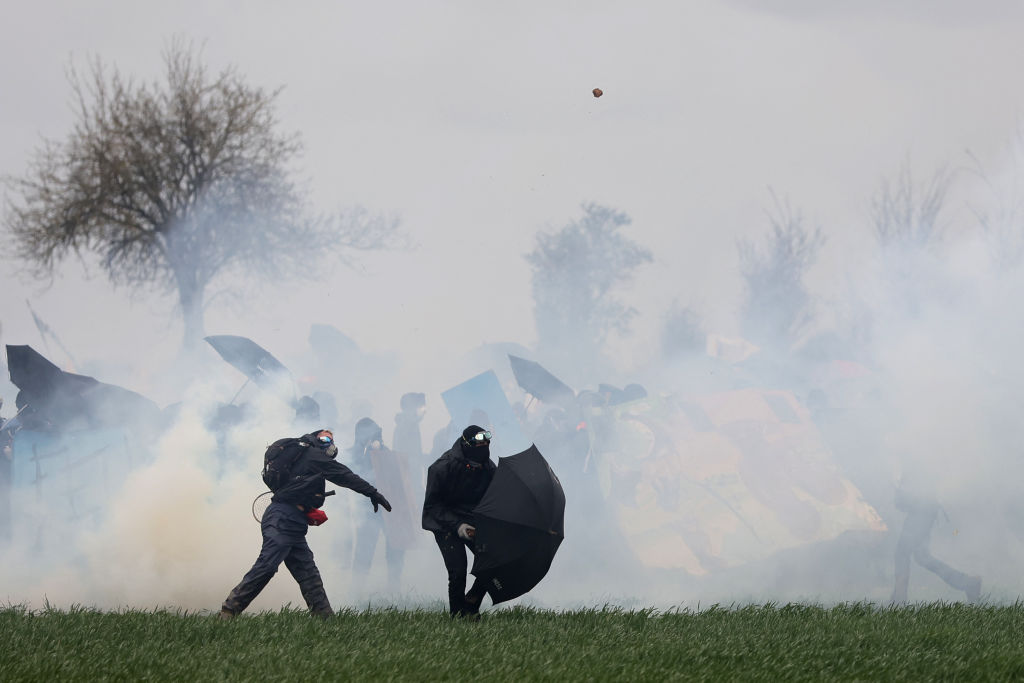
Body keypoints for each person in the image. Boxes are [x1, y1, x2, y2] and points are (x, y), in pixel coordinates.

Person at [220, 428, 392, 618]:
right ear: (316, 437)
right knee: (267, 565)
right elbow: (344, 475)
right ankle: (229, 610)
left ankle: (325, 617)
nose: (329, 442)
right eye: (326, 437)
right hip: (283, 518)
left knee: (308, 572)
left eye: (332, 439)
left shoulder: (303, 457)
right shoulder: (312, 455)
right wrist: (372, 492)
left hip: (292, 520)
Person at [422, 425, 497, 617]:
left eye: (487, 444)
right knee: (458, 571)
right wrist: (458, 526)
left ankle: (471, 605)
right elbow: (432, 507)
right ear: (467, 445)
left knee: (493, 561)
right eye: (479, 444)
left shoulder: (488, 467)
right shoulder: (441, 468)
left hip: (474, 522)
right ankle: (457, 615)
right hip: (444, 524)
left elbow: (495, 498)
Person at [350, 418, 416, 594]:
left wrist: (380, 452)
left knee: (395, 550)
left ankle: (394, 588)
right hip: (367, 511)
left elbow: (398, 480)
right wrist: (367, 452)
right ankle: (356, 590)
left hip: (388, 510)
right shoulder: (355, 454)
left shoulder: (388, 454)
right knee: (364, 552)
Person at [890, 481, 981, 603]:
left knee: (902, 554)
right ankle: (968, 583)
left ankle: (899, 601)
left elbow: (910, 494)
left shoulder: (915, 467)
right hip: (923, 511)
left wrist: (900, 495)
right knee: (922, 557)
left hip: (921, 512)